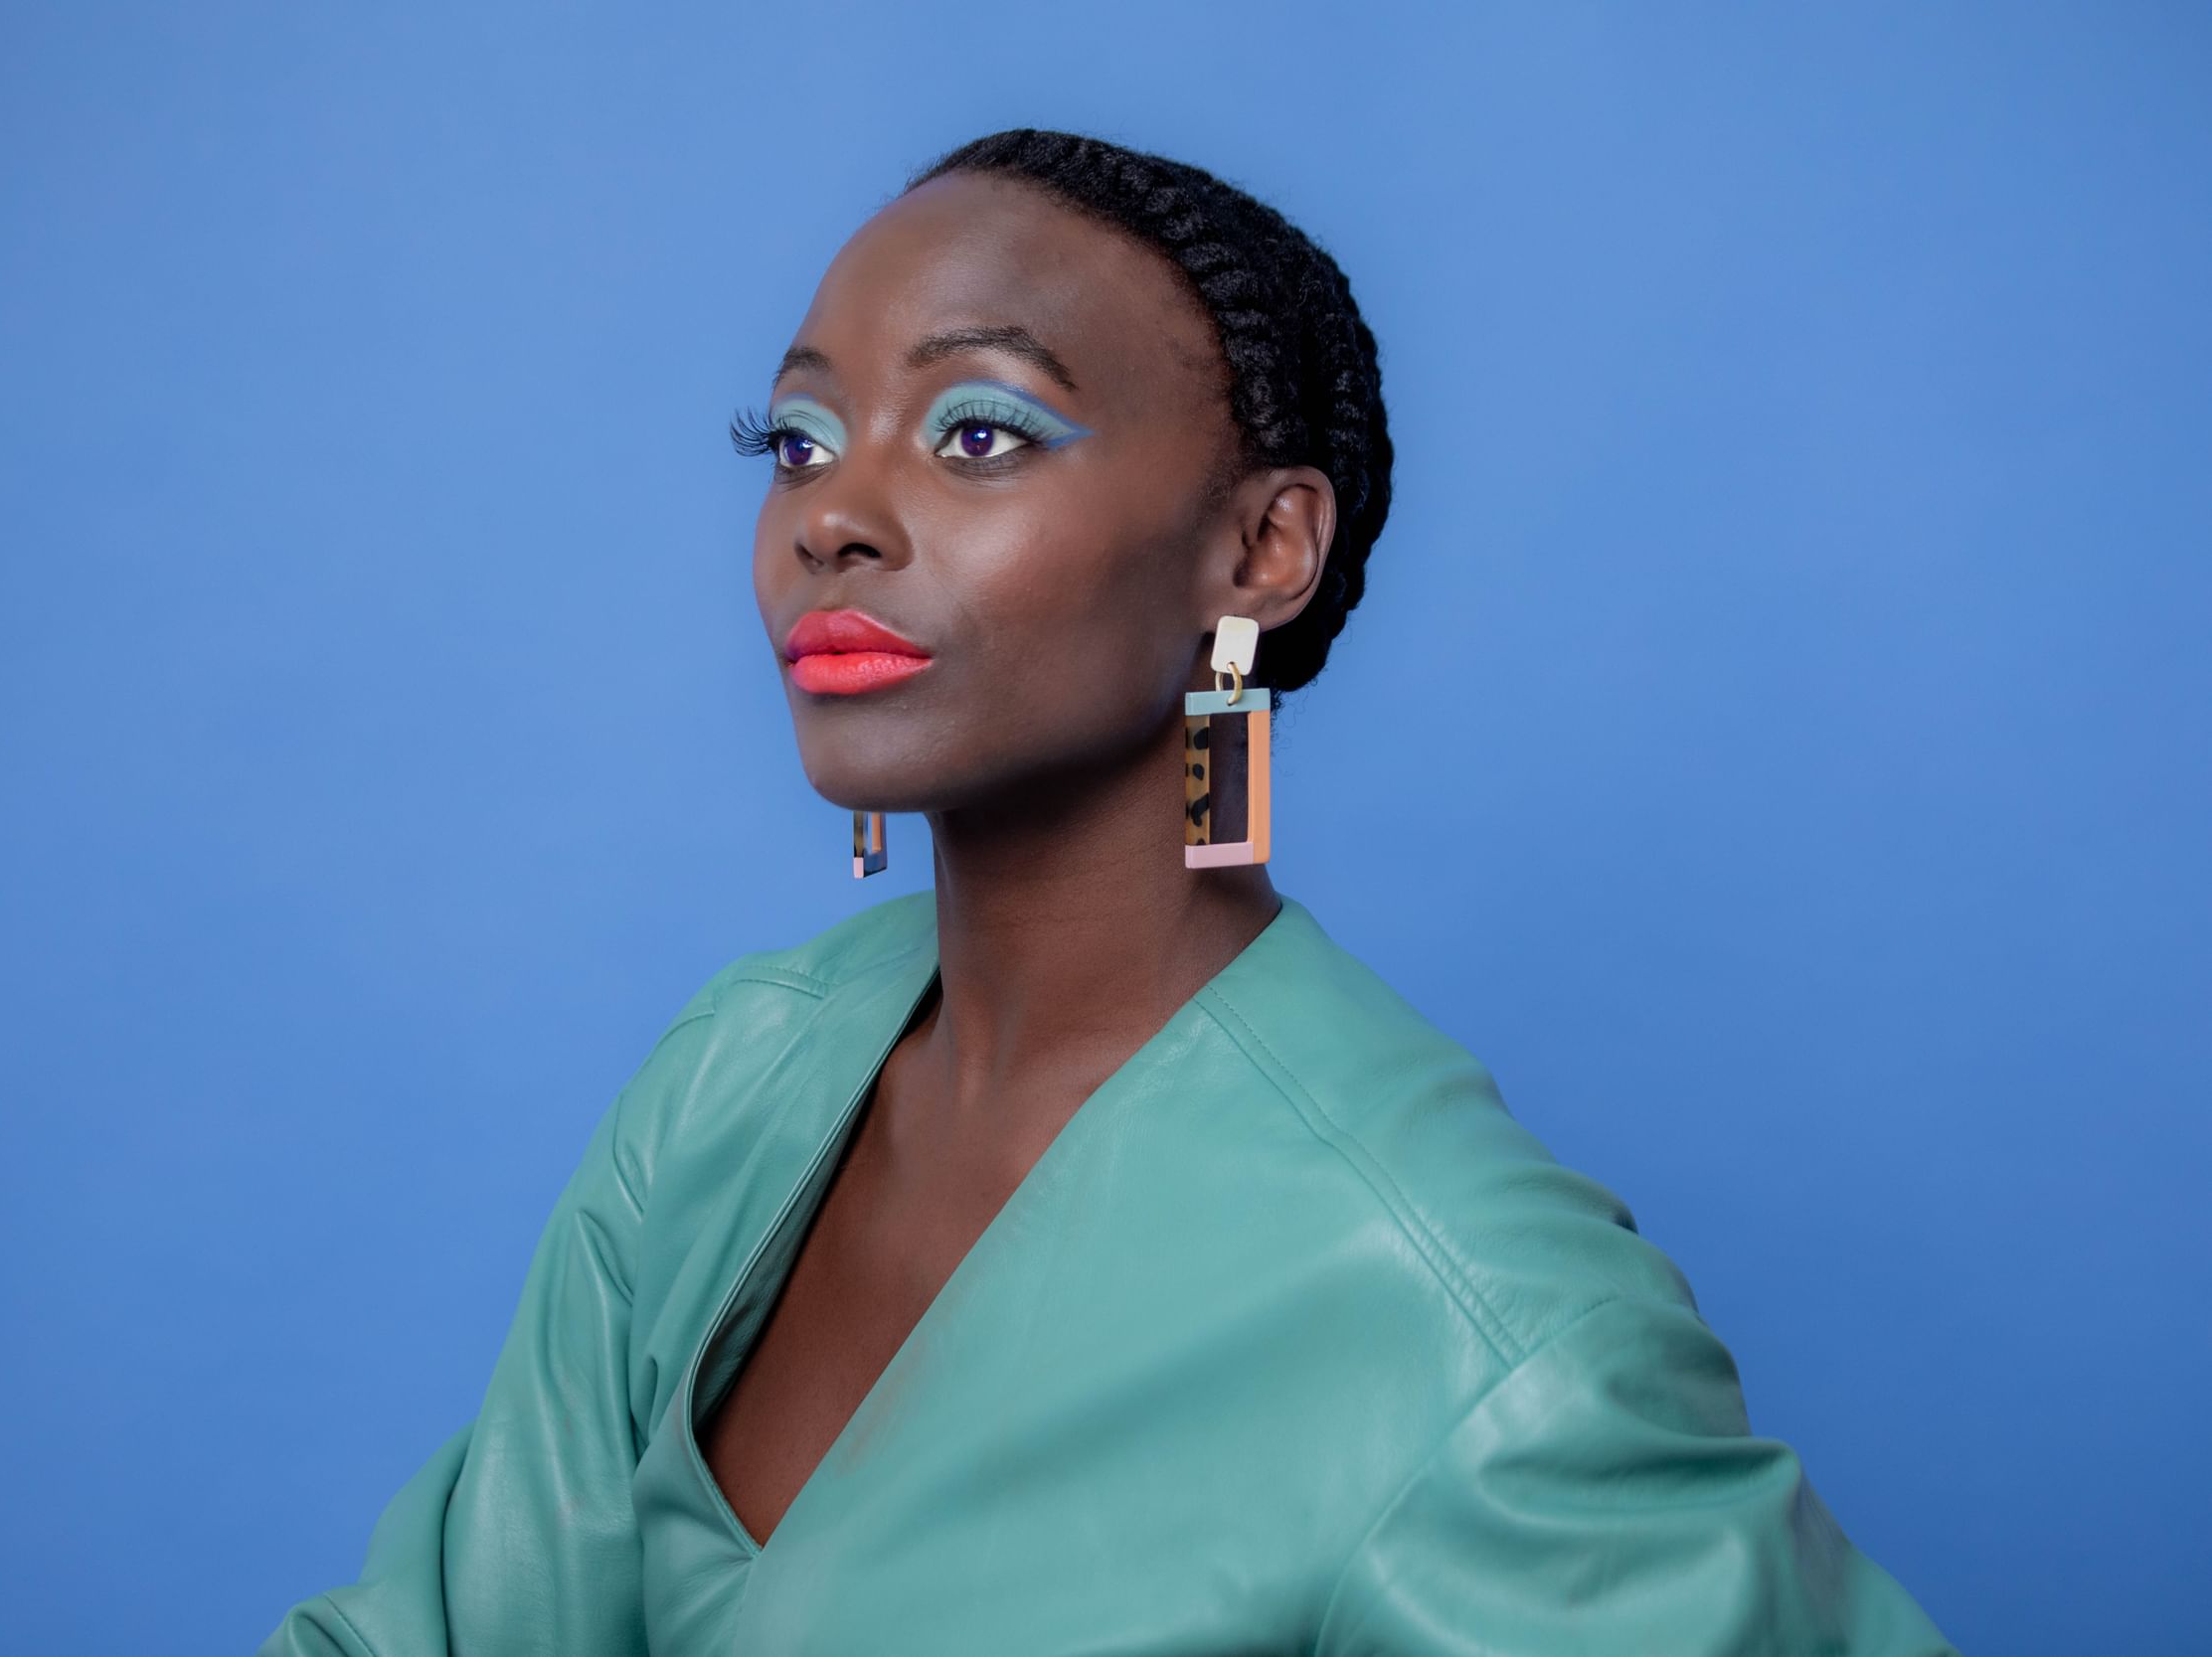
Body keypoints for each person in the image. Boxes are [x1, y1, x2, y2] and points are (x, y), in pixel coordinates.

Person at [259, 127, 1957, 1656]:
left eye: (978, 430)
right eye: (792, 439)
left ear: (1262, 549)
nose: (832, 514)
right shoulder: (732, 1082)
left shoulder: (1470, 1325)